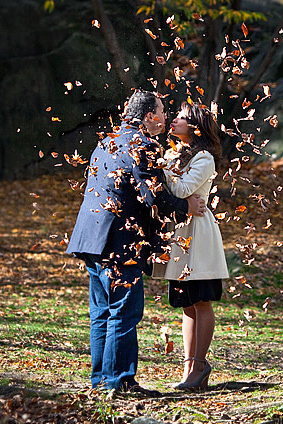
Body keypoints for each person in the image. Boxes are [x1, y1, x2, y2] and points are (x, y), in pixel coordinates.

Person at [66, 90, 206, 395]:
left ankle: (101, 382)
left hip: (91, 237)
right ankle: (120, 382)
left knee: (102, 313)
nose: (166, 117)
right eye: (162, 111)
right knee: (123, 312)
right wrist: (186, 207)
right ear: (149, 116)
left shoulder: (107, 141)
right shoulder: (143, 145)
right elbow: (153, 196)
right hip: (119, 242)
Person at [161, 103, 229, 391]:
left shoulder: (204, 158)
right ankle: (188, 367)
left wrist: (163, 167)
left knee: (201, 301)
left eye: (181, 118)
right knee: (187, 304)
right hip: (180, 234)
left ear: (195, 127)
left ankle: (200, 366)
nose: (173, 120)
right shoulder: (174, 154)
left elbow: (180, 190)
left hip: (198, 236)